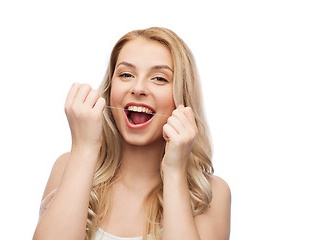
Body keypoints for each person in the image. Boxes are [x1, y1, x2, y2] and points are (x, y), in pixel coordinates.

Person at [33, 27, 231, 240]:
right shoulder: (67, 166)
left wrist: (175, 173)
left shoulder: (209, 194)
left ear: (181, 98)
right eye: (126, 74)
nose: (138, 88)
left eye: (159, 78)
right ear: (110, 92)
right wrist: (84, 148)